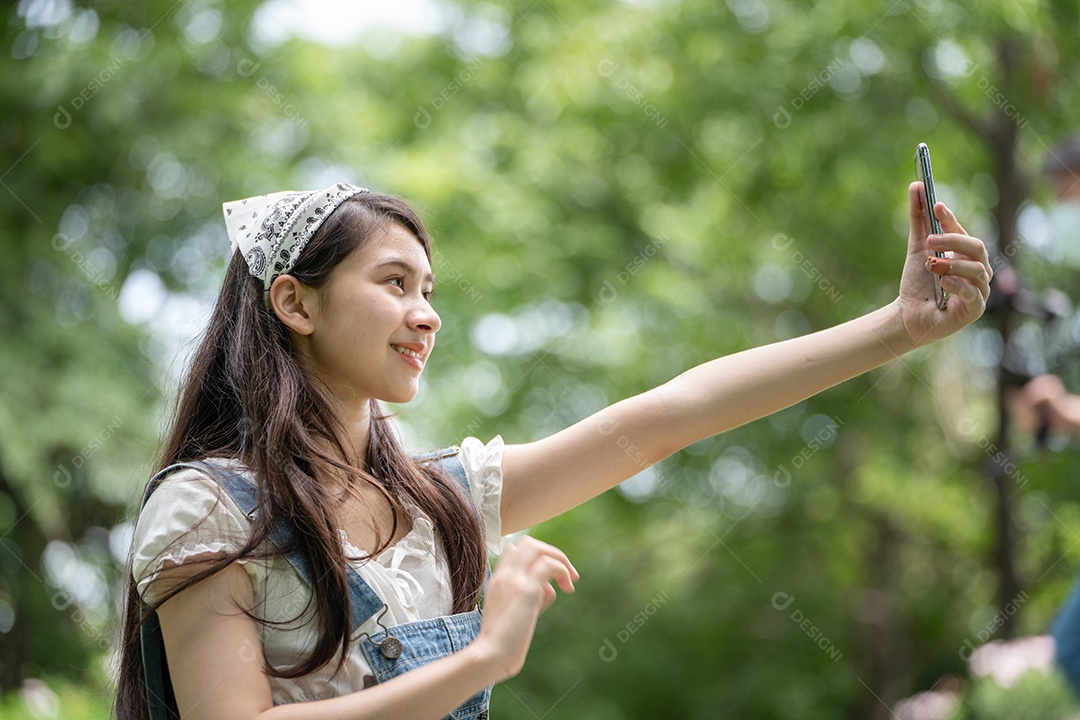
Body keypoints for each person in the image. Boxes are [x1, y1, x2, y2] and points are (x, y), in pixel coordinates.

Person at [113, 180, 992, 720]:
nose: (428, 315)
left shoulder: (436, 500)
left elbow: (665, 417)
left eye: (430, 289)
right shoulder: (209, 509)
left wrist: (898, 328)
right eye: (393, 284)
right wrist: (486, 657)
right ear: (294, 304)